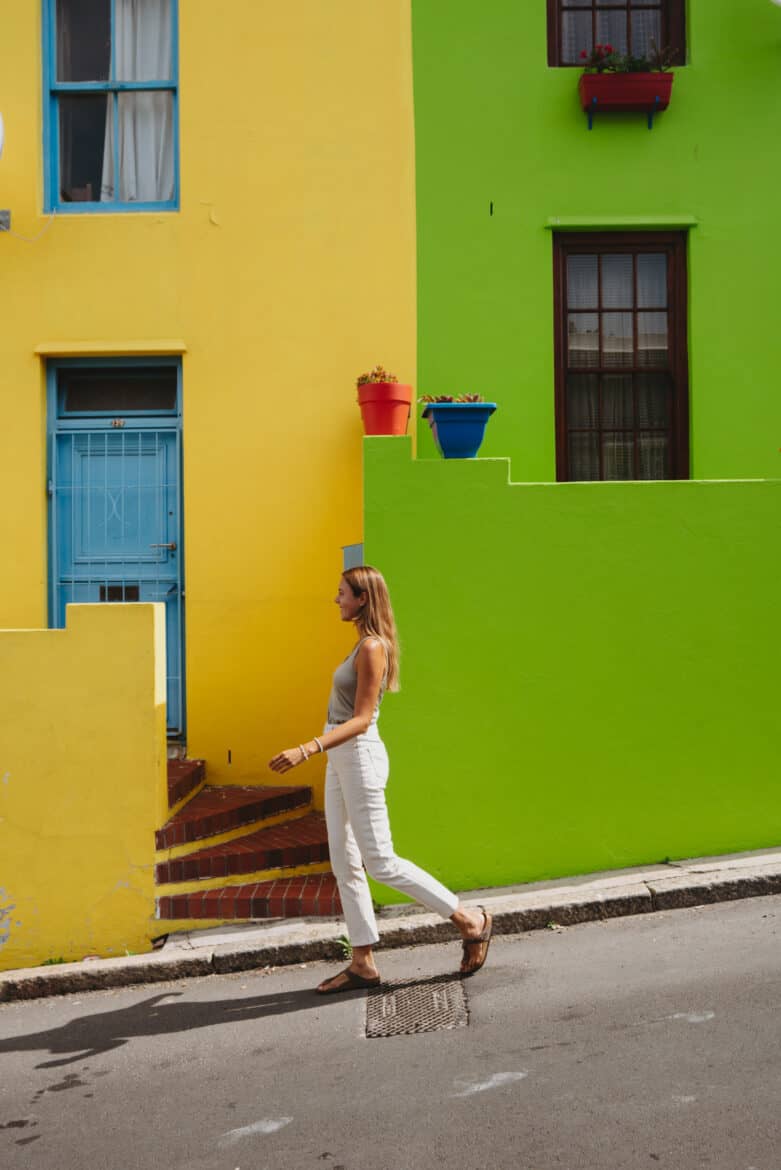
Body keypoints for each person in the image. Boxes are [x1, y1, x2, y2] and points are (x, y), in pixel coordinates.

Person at [269, 564, 492, 994]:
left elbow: (363, 719)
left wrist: (307, 748)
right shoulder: (359, 646)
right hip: (340, 758)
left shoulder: (372, 647)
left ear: (362, 598)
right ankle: (363, 962)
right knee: (344, 861)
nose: (336, 599)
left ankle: (469, 920)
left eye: (342, 593)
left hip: (357, 755)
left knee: (381, 861)